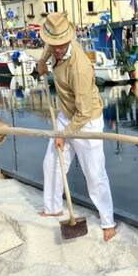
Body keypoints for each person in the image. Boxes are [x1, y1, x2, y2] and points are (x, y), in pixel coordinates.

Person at [36, 13, 117, 242]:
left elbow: (83, 113)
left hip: (87, 121)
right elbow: (49, 47)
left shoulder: (79, 68)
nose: (57, 49)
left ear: (68, 39)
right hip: (65, 114)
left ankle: (107, 220)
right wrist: (43, 61)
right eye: (53, 44)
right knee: (52, 162)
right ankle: (52, 207)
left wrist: (64, 134)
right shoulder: (54, 45)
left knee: (94, 174)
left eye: (61, 44)